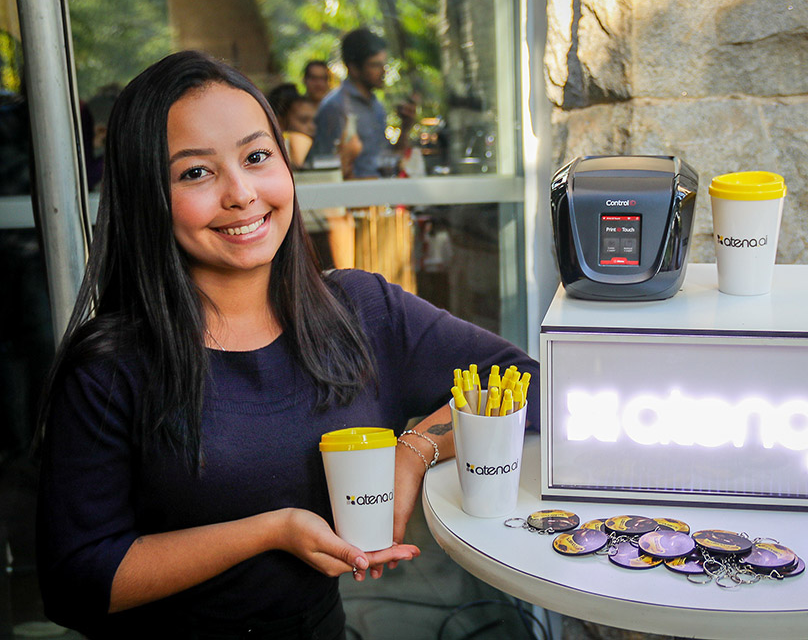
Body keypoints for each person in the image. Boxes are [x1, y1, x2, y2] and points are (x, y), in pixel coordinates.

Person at [35, 50, 538, 640]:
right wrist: (271, 531)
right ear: (148, 195)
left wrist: (415, 450)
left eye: (256, 157)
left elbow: (528, 381)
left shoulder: (362, 311)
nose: (242, 193)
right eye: (196, 172)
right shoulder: (110, 367)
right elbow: (75, 583)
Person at [307, 28, 417, 179]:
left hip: (376, 196)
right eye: (375, 65)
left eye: (383, 64)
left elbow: (386, 162)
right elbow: (324, 169)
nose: (383, 71)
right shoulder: (336, 106)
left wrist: (405, 127)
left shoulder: (376, 106)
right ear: (353, 69)